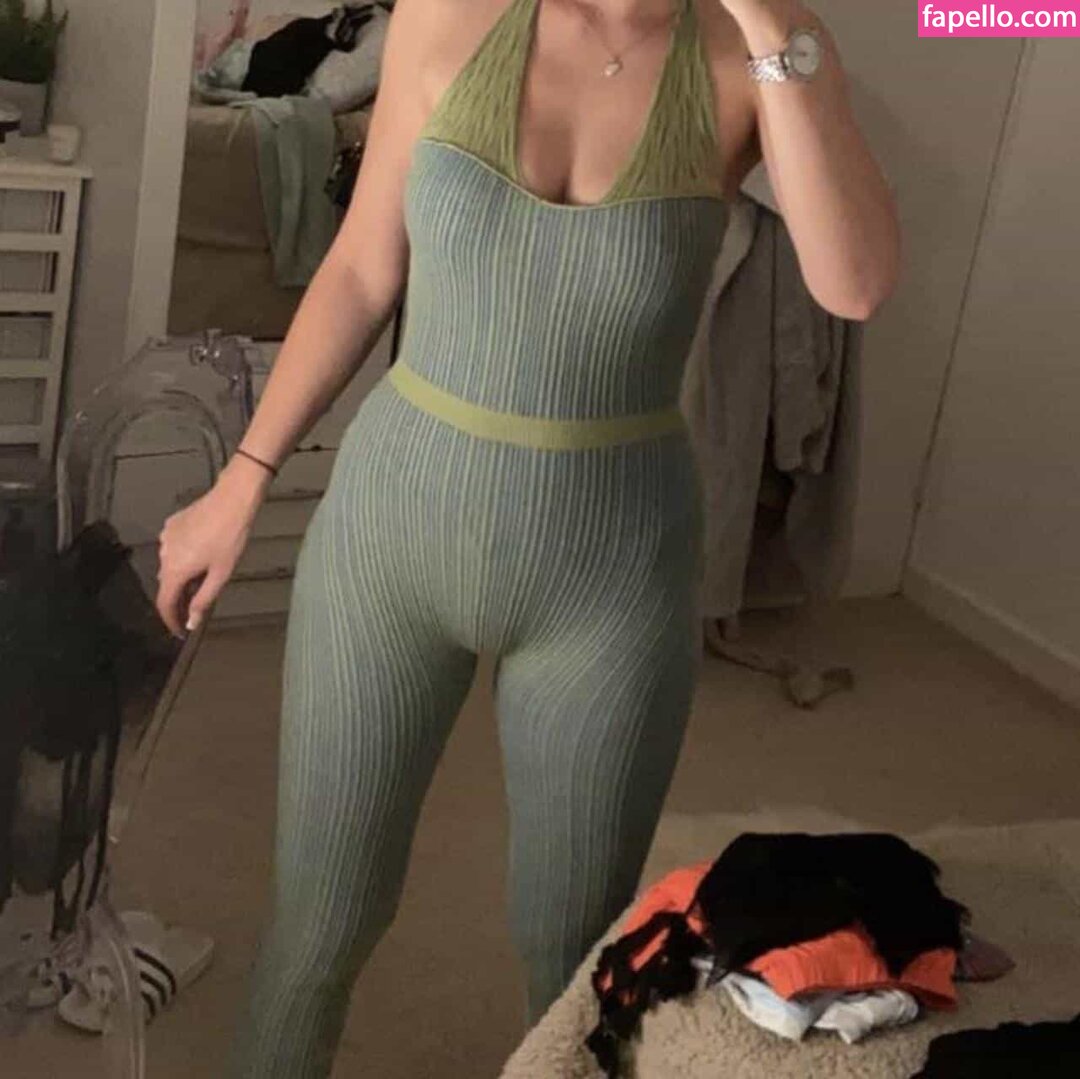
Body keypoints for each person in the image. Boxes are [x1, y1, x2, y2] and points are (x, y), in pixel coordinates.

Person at [156, 0, 899, 1073]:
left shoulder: (755, 58)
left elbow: (854, 282)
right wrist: (242, 480)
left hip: (614, 575)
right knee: (318, 923)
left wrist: (772, 19)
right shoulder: (445, 14)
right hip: (390, 539)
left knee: (574, 951)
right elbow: (363, 267)